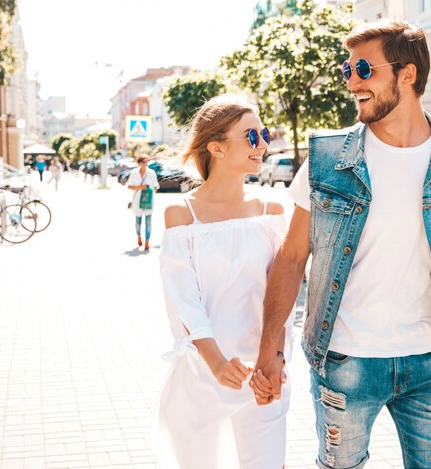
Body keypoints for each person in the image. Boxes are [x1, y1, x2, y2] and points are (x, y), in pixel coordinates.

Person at [253, 19, 431, 469]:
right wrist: (269, 349)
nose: (352, 83)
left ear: (407, 75)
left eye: (364, 69)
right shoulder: (327, 160)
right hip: (345, 360)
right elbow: (291, 258)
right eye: (347, 70)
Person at [152, 94, 294, 469]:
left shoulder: (271, 212)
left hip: (263, 375)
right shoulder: (182, 215)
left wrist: (275, 360)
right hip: (202, 376)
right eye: (251, 136)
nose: (263, 144)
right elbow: (184, 301)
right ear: (216, 147)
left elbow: (281, 294)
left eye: (263, 134)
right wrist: (216, 363)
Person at [127, 155, 159, 250]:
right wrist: (141, 187)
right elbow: (129, 186)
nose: (145, 164)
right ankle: (139, 236)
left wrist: (154, 188)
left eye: (146, 162)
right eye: (143, 162)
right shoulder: (134, 173)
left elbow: (156, 185)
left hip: (148, 200)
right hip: (137, 201)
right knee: (138, 222)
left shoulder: (152, 173)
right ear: (139, 163)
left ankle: (147, 242)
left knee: (148, 222)